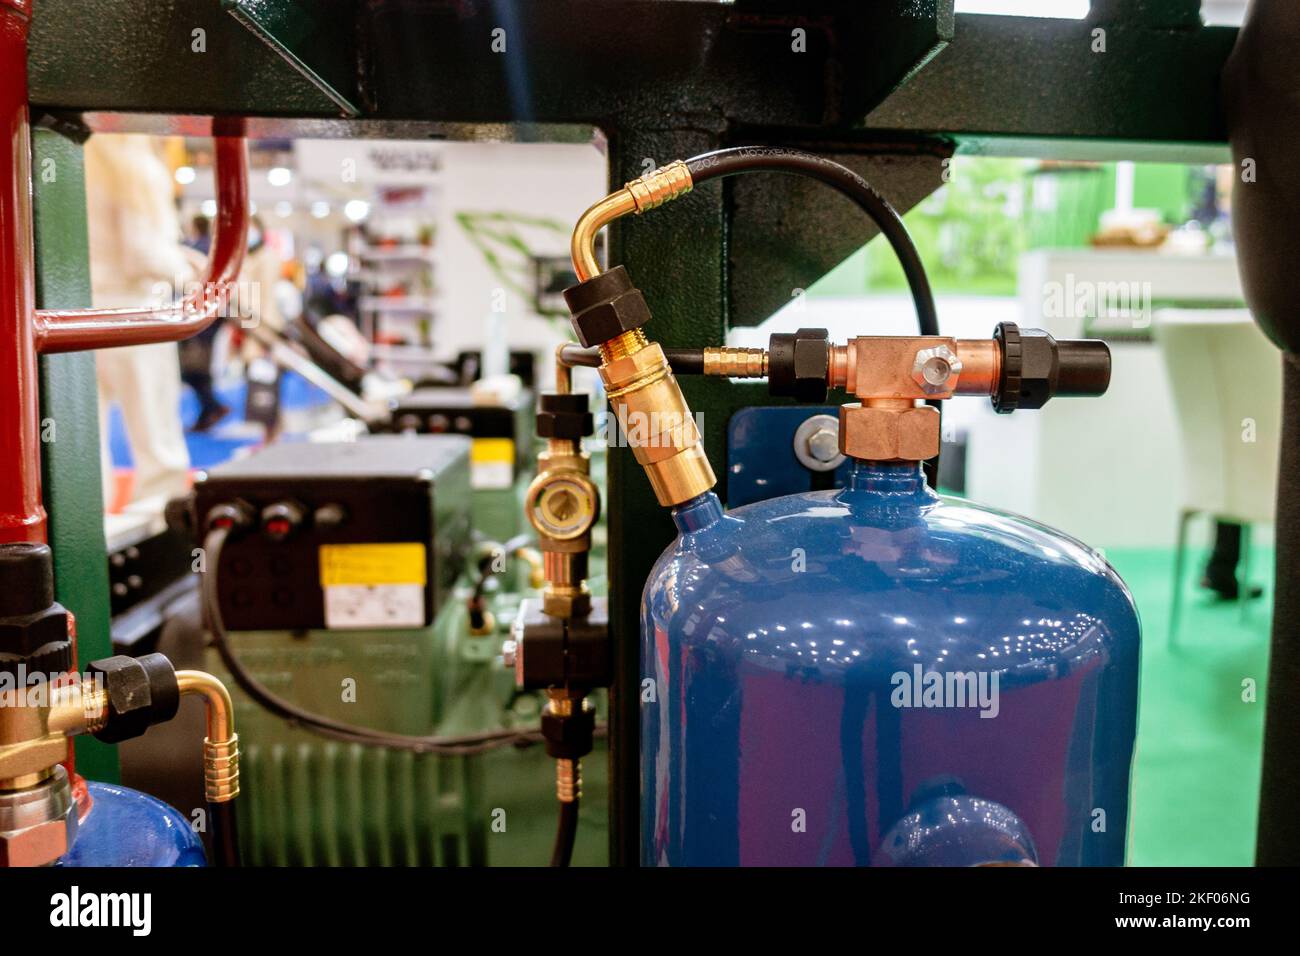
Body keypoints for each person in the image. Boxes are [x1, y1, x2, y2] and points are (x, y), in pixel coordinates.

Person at [84, 134, 196, 509]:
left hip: (78, 314)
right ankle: (163, 529)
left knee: (84, 442)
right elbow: (143, 254)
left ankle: (89, 529)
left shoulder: (80, 158)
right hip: (135, 315)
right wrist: (191, 274)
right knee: (157, 438)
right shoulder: (137, 167)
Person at [179, 213, 230, 432]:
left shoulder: (196, 250)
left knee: (193, 368)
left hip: (201, 313)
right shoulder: (212, 248)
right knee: (197, 367)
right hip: (212, 311)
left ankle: (212, 407)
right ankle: (209, 409)